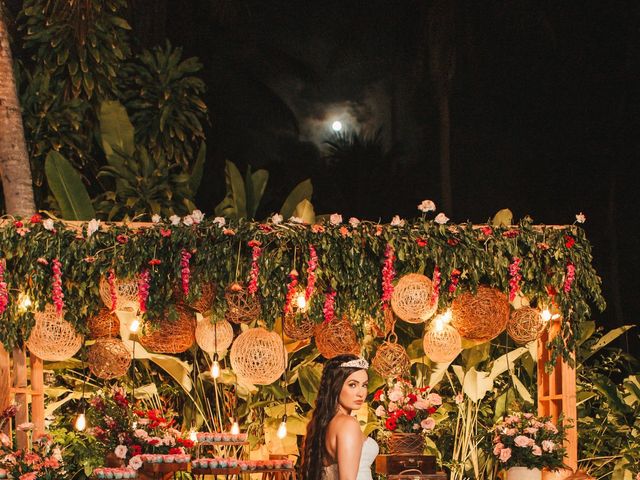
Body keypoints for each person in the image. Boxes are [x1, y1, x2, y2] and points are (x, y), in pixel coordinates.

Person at [300, 353, 379, 480]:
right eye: (352, 385)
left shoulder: (323, 424)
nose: (361, 393)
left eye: (364, 385)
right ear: (335, 386)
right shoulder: (348, 424)